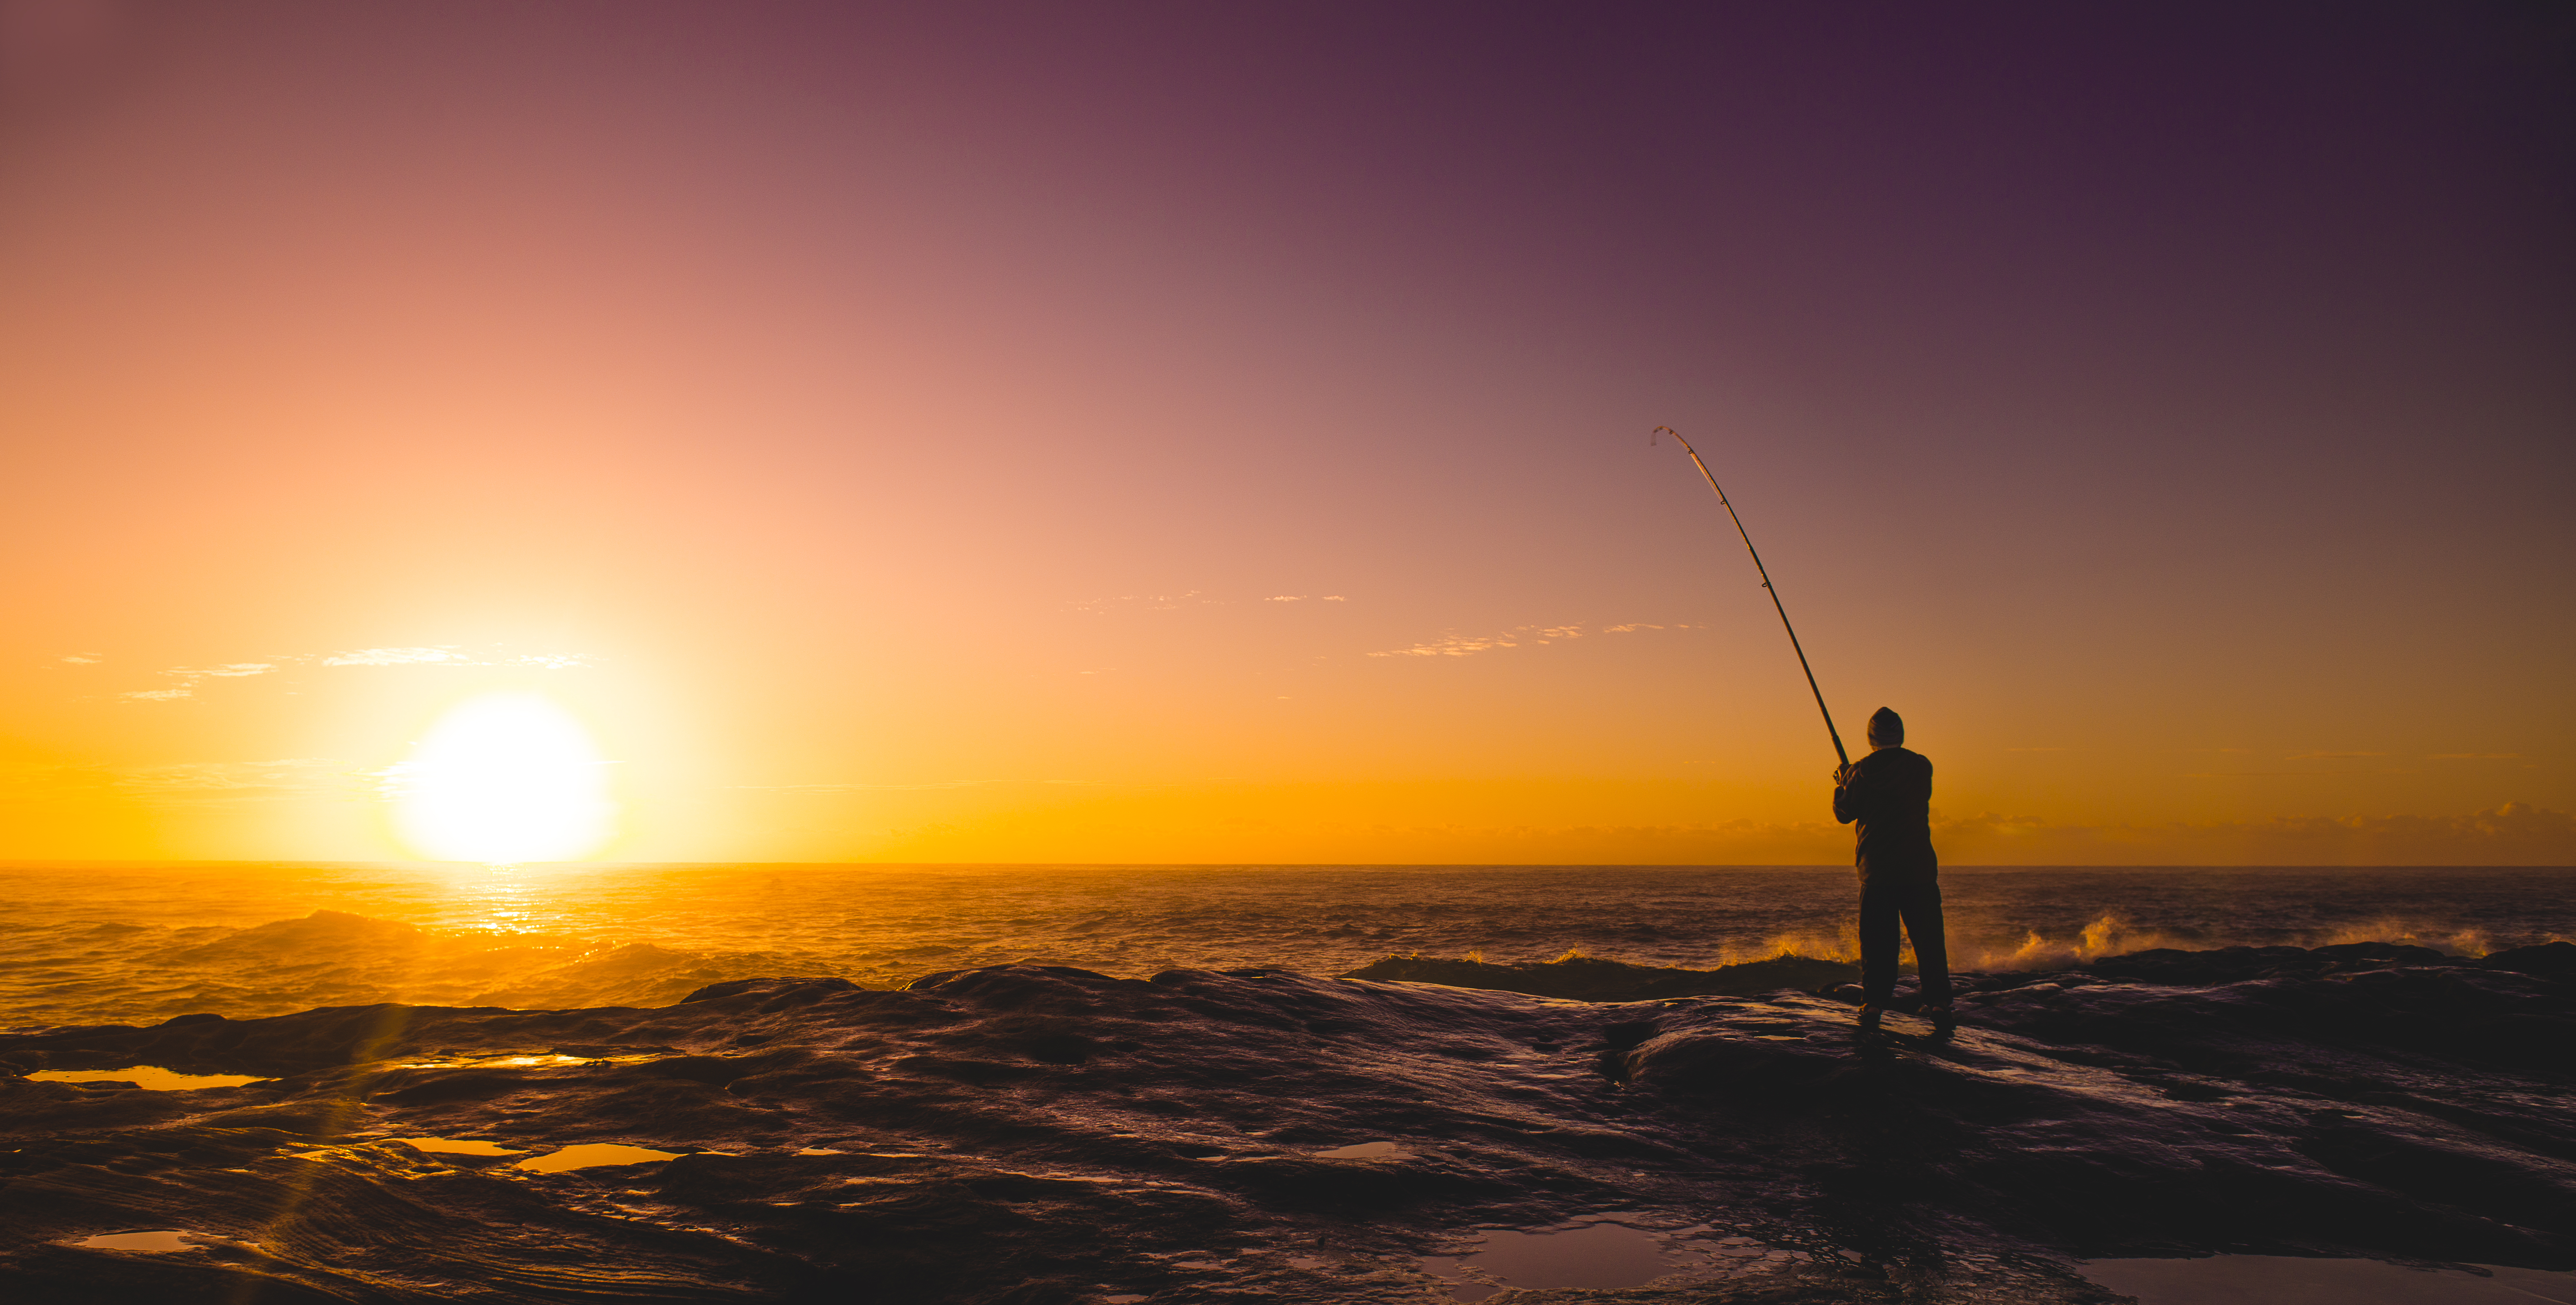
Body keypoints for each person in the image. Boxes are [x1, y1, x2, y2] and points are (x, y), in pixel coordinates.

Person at [1833, 707, 1950, 1033]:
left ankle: (1873, 1004)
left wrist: (1842, 783)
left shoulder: (1859, 772)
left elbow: (1844, 813)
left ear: (1871, 737)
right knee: (1928, 940)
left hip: (1876, 871)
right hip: (1918, 869)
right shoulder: (1921, 766)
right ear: (1900, 734)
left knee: (1877, 943)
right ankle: (1939, 1003)